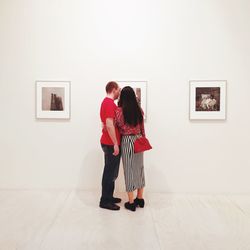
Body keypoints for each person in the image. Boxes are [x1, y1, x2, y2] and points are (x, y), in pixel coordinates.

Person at [115, 86, 146, 212]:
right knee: (139, 168)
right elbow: (142, 127)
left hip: (127, 140)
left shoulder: (119, 111)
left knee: (129, 170)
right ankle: (140, 198)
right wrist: (143, 138)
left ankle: (131, 202)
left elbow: (119, 126)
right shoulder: (139, 110)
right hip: (139, 140)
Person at [99, 81, 122, 211]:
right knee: (109, 172)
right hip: (109, 143)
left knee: (111, 171)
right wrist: (115, 144)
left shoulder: (107, 103)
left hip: (108, 142)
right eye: (118, 89)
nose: (119, 92)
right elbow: (108, 124)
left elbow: (106, 123)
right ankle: (105, 201)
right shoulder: (108, 103)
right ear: (113, 89)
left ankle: (109, 197)